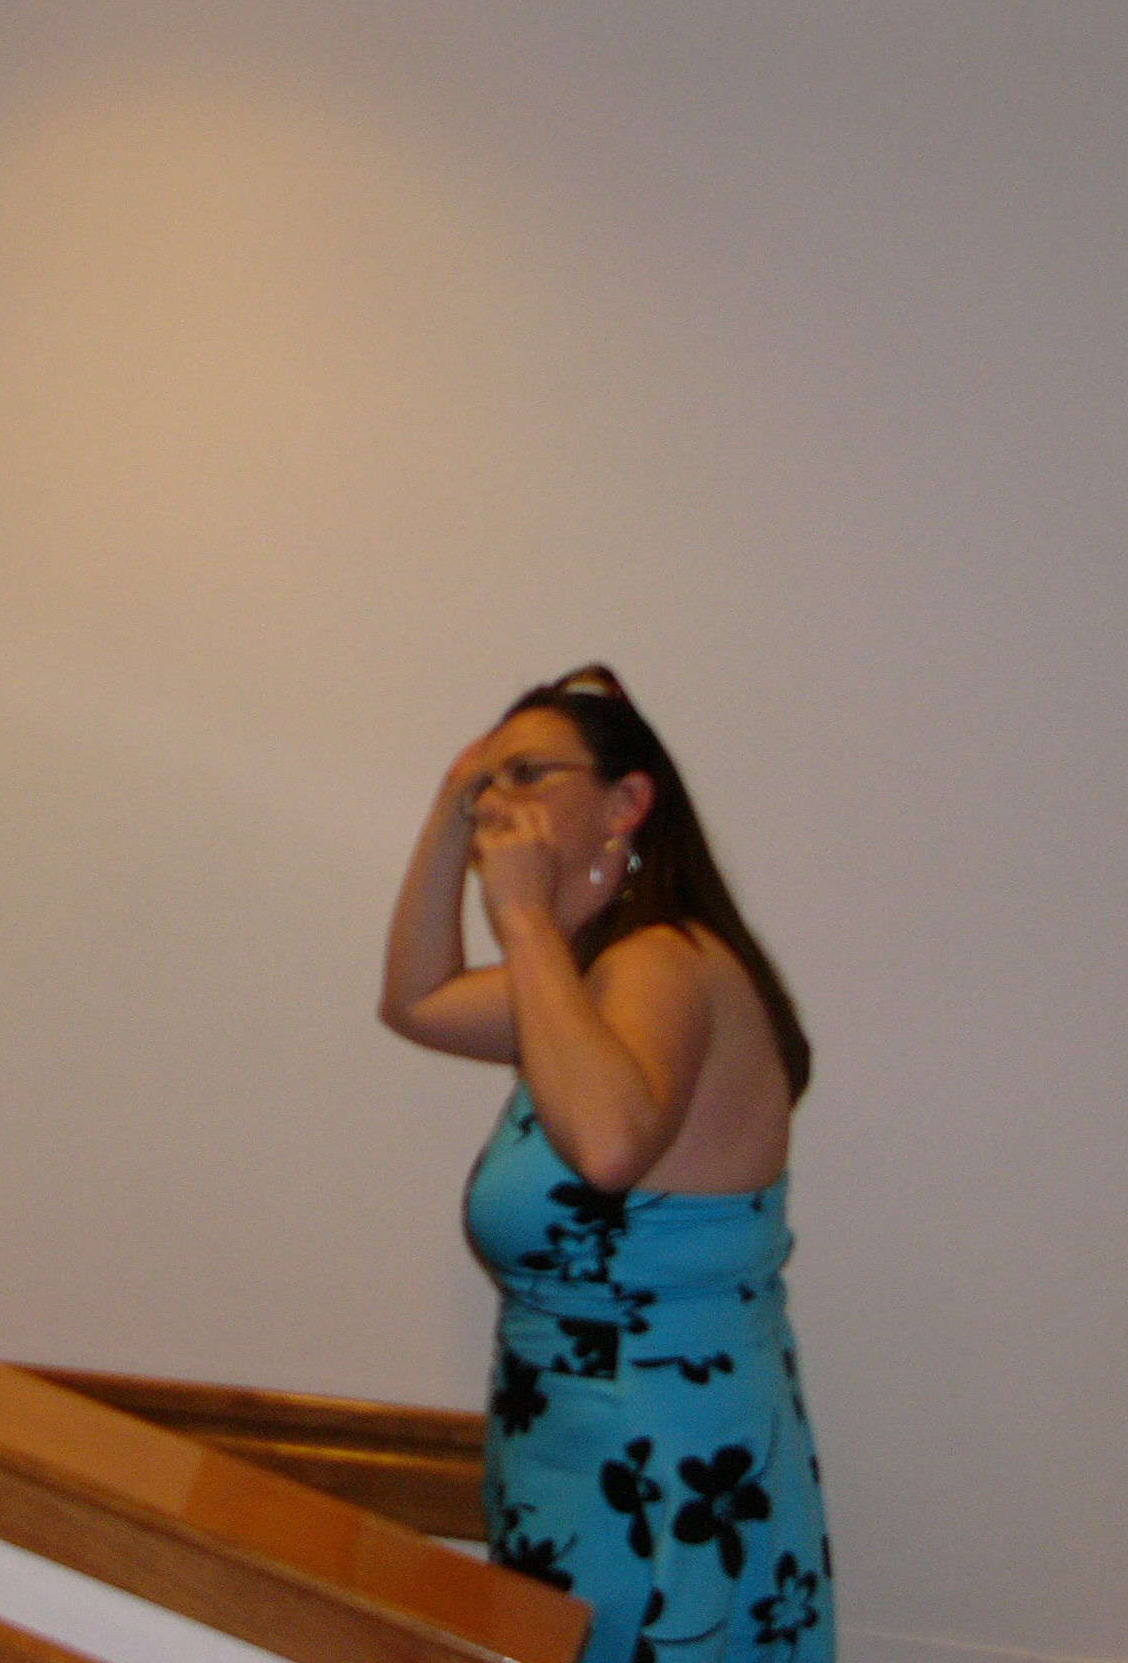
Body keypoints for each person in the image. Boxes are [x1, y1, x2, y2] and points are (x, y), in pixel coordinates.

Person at [379, 665, 830, 1663]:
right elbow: (416, 999)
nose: (496, 805)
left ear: (627, 803)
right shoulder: (587, 981)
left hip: (660, 1456)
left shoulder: (663, 962)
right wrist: (450, 806)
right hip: (576, 1443)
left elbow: (610, 1148)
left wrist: (525, 917)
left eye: (528, 776)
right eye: (486, 784)